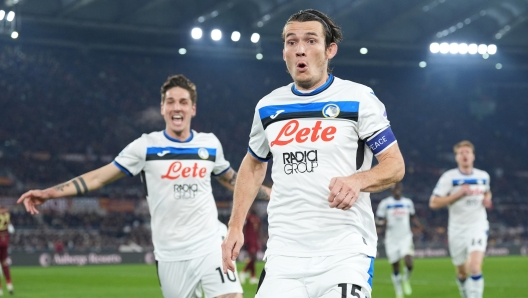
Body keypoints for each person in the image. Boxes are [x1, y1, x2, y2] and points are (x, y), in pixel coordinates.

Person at [18, 74, 271, 298]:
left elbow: (232, 180)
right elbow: (99, 178)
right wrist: (50, 193)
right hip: (170, 253)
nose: (177, 107)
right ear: (162, 108)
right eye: (170, 102)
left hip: (210, 242)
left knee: (230, 296)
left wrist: (269, 193)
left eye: (183, 102)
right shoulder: (145, 147)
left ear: (193, 109)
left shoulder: (210, 144)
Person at [221, 9, 405, 298]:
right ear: (284, 52)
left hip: (344, 252)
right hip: (284, 254)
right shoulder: (268, 107)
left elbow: (394, 166)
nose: (300, 50)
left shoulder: (358, 99)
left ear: (330, 50)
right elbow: (254, 164)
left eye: (310, 41)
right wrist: (235, 226)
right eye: (291, 42)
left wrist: (357, 181)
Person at [429, 140, 491, 298]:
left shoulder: (483, 176)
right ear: (456, 157)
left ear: (473, 156)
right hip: (457, 229)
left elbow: (487, 191)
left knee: (475, 267)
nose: (464, 155)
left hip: (478, 225)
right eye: (461, 153)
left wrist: (487, 199)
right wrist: (458, 194)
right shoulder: (449, 178)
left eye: (467, 152)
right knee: (462, 272)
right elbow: (434, 202)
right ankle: (465, 293)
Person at [375, 182, 422, 298]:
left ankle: (405, 279)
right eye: (394, 188)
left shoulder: (407, 203)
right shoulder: (385, 204)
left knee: (409, 263)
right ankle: (399, 291)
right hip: (391, 239)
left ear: (401, 189)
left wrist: (418, 225)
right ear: (391, 190)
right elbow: (377, 220)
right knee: (395, 266)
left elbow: (412, 216)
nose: (397, 190)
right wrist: (383, 222)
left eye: (399, 188)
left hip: (405, 237)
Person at [239, 207, 261, 285]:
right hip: (252, 240)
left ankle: (251, 276)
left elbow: (245, 228)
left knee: (253, 258)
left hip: (252, 240)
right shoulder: (254, 219)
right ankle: (245, 273)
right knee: (253, 258)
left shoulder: (251, 218)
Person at [0, 206, 14, 296]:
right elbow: (12, 230)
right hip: (5, 240)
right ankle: (9, 284)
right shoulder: (6, 212)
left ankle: (0, 289)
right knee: (4, 262)